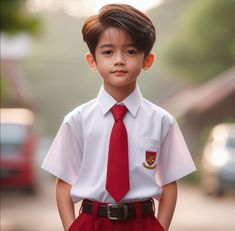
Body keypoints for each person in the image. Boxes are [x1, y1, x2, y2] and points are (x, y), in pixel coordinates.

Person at [42, 4, 196, 231]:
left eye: (131, 51)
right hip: (91, 222)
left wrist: (160, 228)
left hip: (142, 222)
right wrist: (71, 227)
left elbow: (169, 183)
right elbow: (64, 183)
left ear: (147, 60)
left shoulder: (162, 121)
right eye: (108, 52)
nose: (119, 60)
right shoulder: (76, 121)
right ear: (92, 60)